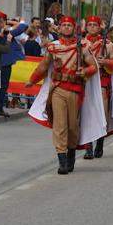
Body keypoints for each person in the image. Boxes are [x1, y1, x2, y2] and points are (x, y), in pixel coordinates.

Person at [25, 16, 99, 175]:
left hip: (75, 90)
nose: (66, 28)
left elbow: (94, 67)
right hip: (57, 89)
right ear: (59, 28)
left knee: (72, 126)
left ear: (74, 28)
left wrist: (85, 71)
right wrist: (32, 80)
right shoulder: (53, 47)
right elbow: (43, 67)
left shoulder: (83, 46)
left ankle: (71, 154)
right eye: (63, 25)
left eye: (69, 25)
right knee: (59, 125)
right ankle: (62, 161)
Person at [81, 16, 113, 159]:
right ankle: (88, 147)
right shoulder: (80, 43)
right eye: (89, 25)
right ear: (86, 27)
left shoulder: (108, 44)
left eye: (95, 25)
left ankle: (100, 143)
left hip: (102, 83)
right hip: (85, 81)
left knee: (102, 114)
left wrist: (105, 61)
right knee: (85, 115)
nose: (92, 27)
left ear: (99, 27)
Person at [0, 11, 28, 117]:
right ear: (2, 21)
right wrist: (19, 20)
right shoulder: (5, 31)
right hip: (4, 62)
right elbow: (23, 27)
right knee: (3, 86)